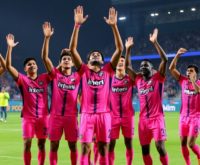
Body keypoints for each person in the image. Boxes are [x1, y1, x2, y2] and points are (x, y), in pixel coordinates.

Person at [69, 6, 123, 165]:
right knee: (85, 148)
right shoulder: (83, 70)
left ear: (102, 60)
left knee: (103, 149)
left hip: (105, 115)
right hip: (86, 115)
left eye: (98, 55)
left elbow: (120, 48)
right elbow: (72, 49)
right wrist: (77, 26)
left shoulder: (108, 70)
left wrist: (114, 27)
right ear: (87, 60)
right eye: (93, 54)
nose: (95, 55)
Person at [5, 33, 51, 165]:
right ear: (25, 69)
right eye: (29, 64)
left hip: (43, 117)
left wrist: (47, 39)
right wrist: (10, 48)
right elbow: (8, 66)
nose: (32, 65)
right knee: (27, 144)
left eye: (34, 63)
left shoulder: (44, 78)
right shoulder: (22, 80)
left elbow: (48, 61)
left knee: (42, 144)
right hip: (28, 118)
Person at [126, 28, 169, 165]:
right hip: (143, 121)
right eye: (141, 65)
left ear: (152, 69)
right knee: (145, 150)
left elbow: (165, 59)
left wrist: (155, 43)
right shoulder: (138, 79)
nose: (142, 67)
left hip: (157, 119)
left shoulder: (158, 78)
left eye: (146, 65)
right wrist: (127, 49)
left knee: (160, 147)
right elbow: (127, 66)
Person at [41, 22, 81, 165]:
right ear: (60, 62)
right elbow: (45, 58)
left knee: (73, 146)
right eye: (64, 58)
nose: (66, 60)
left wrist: (76, 26)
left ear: (72, 63)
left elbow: (74, 52)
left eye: (69, 59)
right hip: (55, 117)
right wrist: (47, 38)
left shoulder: (78, 75)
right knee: (54, 146)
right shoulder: (55, 75)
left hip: (71, 117)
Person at [169, 48, 200, 165]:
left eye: (191, 71)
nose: (188, 73)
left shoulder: (198, 83)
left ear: (196, 73)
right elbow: (171, 69)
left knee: (191, 144)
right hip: (183, 117)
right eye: (187, 71)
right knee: (182, 143)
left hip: (195, 118)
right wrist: (177, 55)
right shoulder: (182, 81)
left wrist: (193, 81)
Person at [108, 37, 135, 165]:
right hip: (112, 116)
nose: (120, 62)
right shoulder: (108, 78)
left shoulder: (130, 79)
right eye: (119, 60)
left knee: (128, 143)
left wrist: (128, 50)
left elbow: (129, 66)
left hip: (127, 116)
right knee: (111, 144)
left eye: (123, 61)